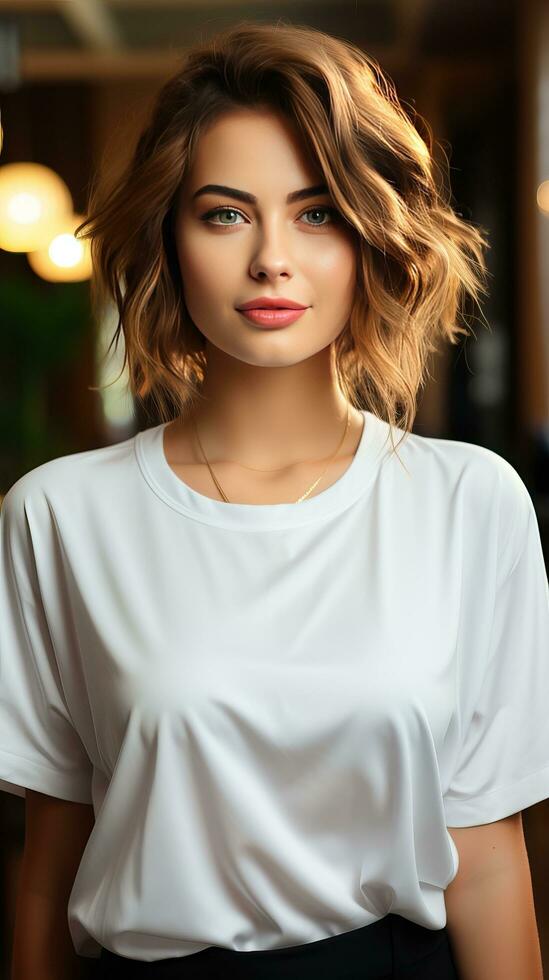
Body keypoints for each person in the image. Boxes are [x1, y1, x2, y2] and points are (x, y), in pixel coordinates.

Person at [2, 19, 548, 980]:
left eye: (318, 212)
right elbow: (51, 859)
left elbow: (489, 857)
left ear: (372, 235)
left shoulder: (471, 502)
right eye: (224, 213)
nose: (271, 260)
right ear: (169, 237)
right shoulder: (60, 515)